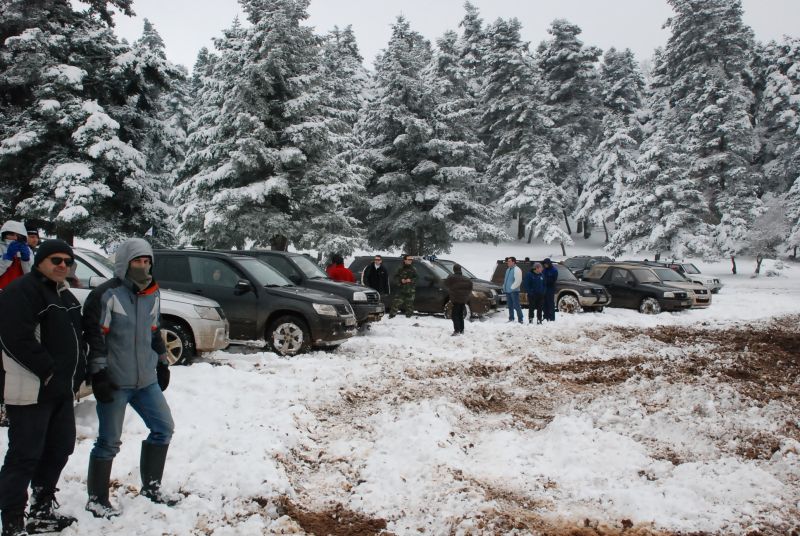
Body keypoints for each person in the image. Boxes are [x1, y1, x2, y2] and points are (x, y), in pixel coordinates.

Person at [82, 238, 175, 518]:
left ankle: (152, 487)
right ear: (125, 263)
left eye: (147, 262)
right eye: (138, 261)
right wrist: (98, 374)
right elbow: (95, 338)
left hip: (145, 380)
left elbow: (154, 329)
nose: (143, 267)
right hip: (116, 381)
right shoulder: (106, 295)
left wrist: (161, 361)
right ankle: (97, 499)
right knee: (109, 441)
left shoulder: (153, 294)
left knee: (163, 428)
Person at [0, 239, 86, 535]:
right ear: (40, 261)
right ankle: (12, 520)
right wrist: (48, 371)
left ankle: (41, 508)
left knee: (59, 448)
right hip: (30, 390)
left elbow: (77, 340)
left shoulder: (65, 296)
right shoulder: (22, 291)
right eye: (56, 260)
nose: (62, 265)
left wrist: (77, 375)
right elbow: (15, 338)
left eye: (67, 261)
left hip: (60, 391)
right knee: (25, 454)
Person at [0, 221, 32, 290]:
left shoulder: (27, 250)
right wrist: (7, 257)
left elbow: (31, 277)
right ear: (4, 234)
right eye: (11, 234)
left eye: (19, 236)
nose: (15, 238)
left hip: (19, 293)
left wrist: (26, 261)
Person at [444, 264, 472, 335]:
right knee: (460, 315)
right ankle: (461, 330)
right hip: (463, 300)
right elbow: (470, 288)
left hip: (456, 300)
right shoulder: (467, 279)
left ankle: (457, 330)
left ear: (454, 270)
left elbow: (445, 284)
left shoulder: (451, 278)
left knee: (454, 315)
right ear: (460, 270)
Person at [503, 256, 523, 323]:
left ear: (513, 262)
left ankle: (520, 319)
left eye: (509, 261)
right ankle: (511, 318)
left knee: (516, 305)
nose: (507, 263)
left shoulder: (517, 269)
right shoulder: (508, 270)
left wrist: (512, 288)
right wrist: (504, 287)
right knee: (510, 306)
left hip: (514, 291)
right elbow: (506, 280)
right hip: (508, 291)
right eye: (507, 261)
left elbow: (518, 280)